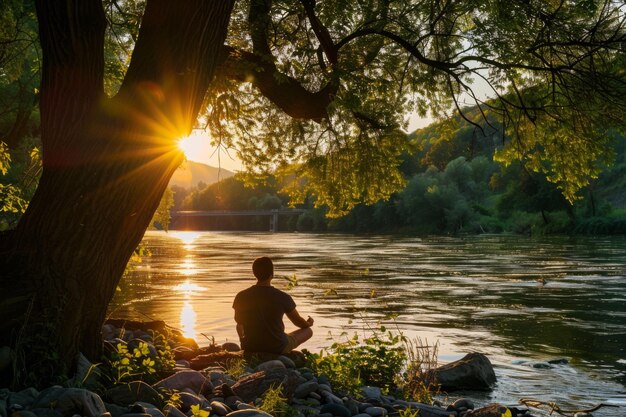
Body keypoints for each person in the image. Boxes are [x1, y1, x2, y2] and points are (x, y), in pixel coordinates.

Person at [232, 256, 314, 354]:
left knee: (240, 325)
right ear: (272, 274)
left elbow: (239, 324)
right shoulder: (283, 297)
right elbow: (298, 322)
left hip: (250, 347)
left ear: (255, 273)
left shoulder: (241, 296)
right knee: (308, 331)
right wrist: (308, 323)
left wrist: (243, 341)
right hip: (277, 347)